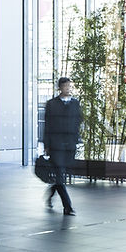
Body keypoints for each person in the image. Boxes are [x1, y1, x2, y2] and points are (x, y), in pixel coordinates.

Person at [42, 77, 82, 216]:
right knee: (59, 174)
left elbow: (78, 123)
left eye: (70, 86)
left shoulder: (75, 104)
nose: (68, 89)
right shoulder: (52, 104)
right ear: (60, 87)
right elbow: (47, 125)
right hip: (55, 145)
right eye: (66, 86)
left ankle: (50, 193)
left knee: (61, 176)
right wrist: (46, 144)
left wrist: (76, 140)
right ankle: (68, 207)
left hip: (69, 145)